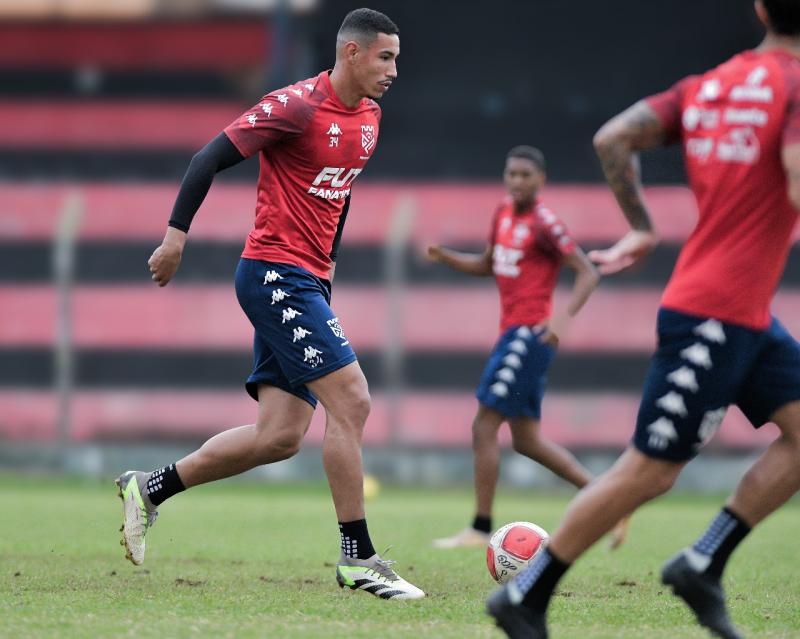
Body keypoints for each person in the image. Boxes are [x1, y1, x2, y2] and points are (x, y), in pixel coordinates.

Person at [487, 1, 800, 636]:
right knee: (649, 470)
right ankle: (526, 595)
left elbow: (613, 137)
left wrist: (641, 226)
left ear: (761, 8)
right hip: (715, 314)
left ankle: (702, 561)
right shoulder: (796, 88)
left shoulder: (709, 86)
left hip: (745, 313)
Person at [114, 8, 425, 600]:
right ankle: (358, 559)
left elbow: (340, 195)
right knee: (352, 400)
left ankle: (147, 489)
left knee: (279, 437)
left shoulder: (371, 119)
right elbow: (206, 158)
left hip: (310, 279)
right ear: (352, 54)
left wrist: (328, 263)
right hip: (273, 274)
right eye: (385, 57)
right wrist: (175, 238)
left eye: (397, 60)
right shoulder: (295, 106)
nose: (392, 71)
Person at [427, 146, 628, 551]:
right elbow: (488, 264)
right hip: (513, 334)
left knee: (483, 426)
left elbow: (587, 272)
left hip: (526, 336)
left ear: (541, 180)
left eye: (525, 175)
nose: (517, 181)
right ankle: (612, 502)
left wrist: (561, 321)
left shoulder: (545, 223)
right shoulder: (502, 213)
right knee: (526, 441)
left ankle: (480, 528)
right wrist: (448, 258)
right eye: (511, 173)